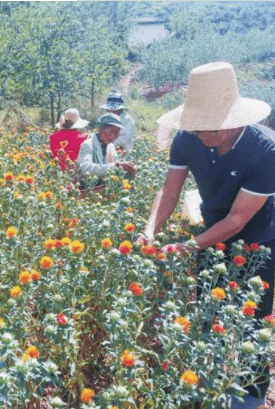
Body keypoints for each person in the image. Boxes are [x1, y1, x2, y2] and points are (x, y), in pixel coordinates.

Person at [137, 62, 274, 409]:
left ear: (234, 119)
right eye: (196, 126)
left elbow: (240, 218)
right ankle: (202, 381)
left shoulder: (265, 150)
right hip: (212, 230)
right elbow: (169, 192)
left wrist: (188, 245)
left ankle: (250, 399)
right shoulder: (188, 138)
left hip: (258, 236)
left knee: (252, 318)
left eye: (210, 127)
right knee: (207, 310)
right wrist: (150, 229)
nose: (202, 134)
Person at [76, 112, 137, 190]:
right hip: (86, 189)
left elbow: (114, 167)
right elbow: (86, 168)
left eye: (116, 133)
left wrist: (128, 169)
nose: (113, 136)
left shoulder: (110, 146)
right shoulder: (88, 144)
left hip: (104, 189)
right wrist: (117, 166)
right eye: (111, 131)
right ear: (101, 129)